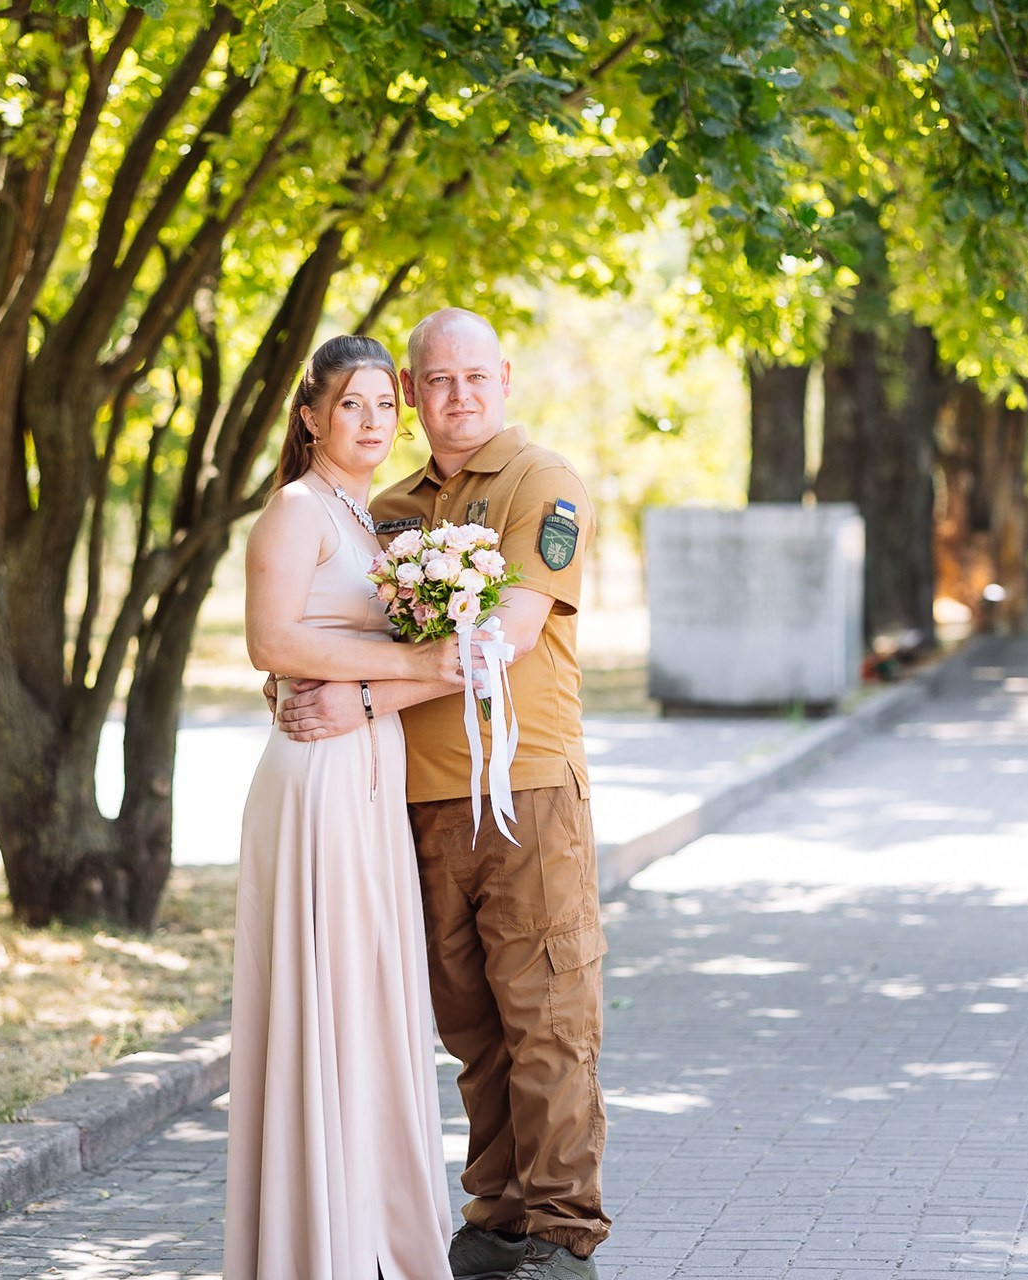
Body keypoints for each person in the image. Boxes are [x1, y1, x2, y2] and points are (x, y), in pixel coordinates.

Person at [278, 308, 610, 1280]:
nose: (455, 395)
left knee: (545, 1016)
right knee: (469, 1021)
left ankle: (558, 1234)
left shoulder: (539, 483)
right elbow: (332, 621)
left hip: (524, 791)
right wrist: (299, 677)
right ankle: (495, 1219)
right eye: (436, 381)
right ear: (414, 394)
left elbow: (503, 634)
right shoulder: (383, 505)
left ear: (503, 377)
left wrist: (366, 693)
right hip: (414, 804)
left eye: (474, 377)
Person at [223, 335, 468, 1280]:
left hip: (370, 771)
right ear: (311, 417)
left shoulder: (371, 523)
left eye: (382, 405)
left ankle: (372, 1232)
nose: (372, 422)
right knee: (324, 998)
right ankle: (312, 1242)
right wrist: (415, 664)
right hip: (316, 778)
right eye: (352, 406)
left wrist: (407, 669)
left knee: (371, 1000)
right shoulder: (295, 511)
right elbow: (269, 640)